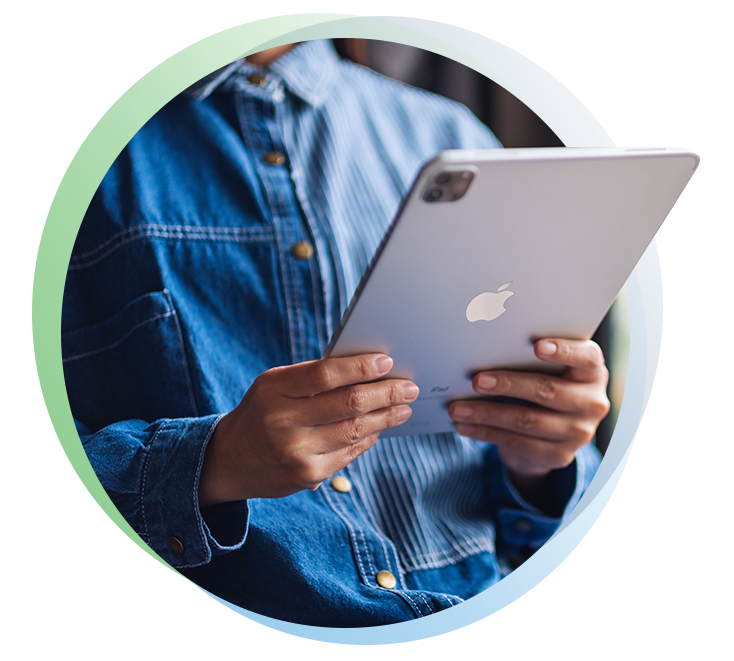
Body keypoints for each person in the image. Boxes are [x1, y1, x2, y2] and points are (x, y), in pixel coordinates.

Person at [60, 37, 617, 630]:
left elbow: (573, 539)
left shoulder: (452, 135)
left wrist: (542, 460)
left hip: (524, 619)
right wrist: (213, 463)